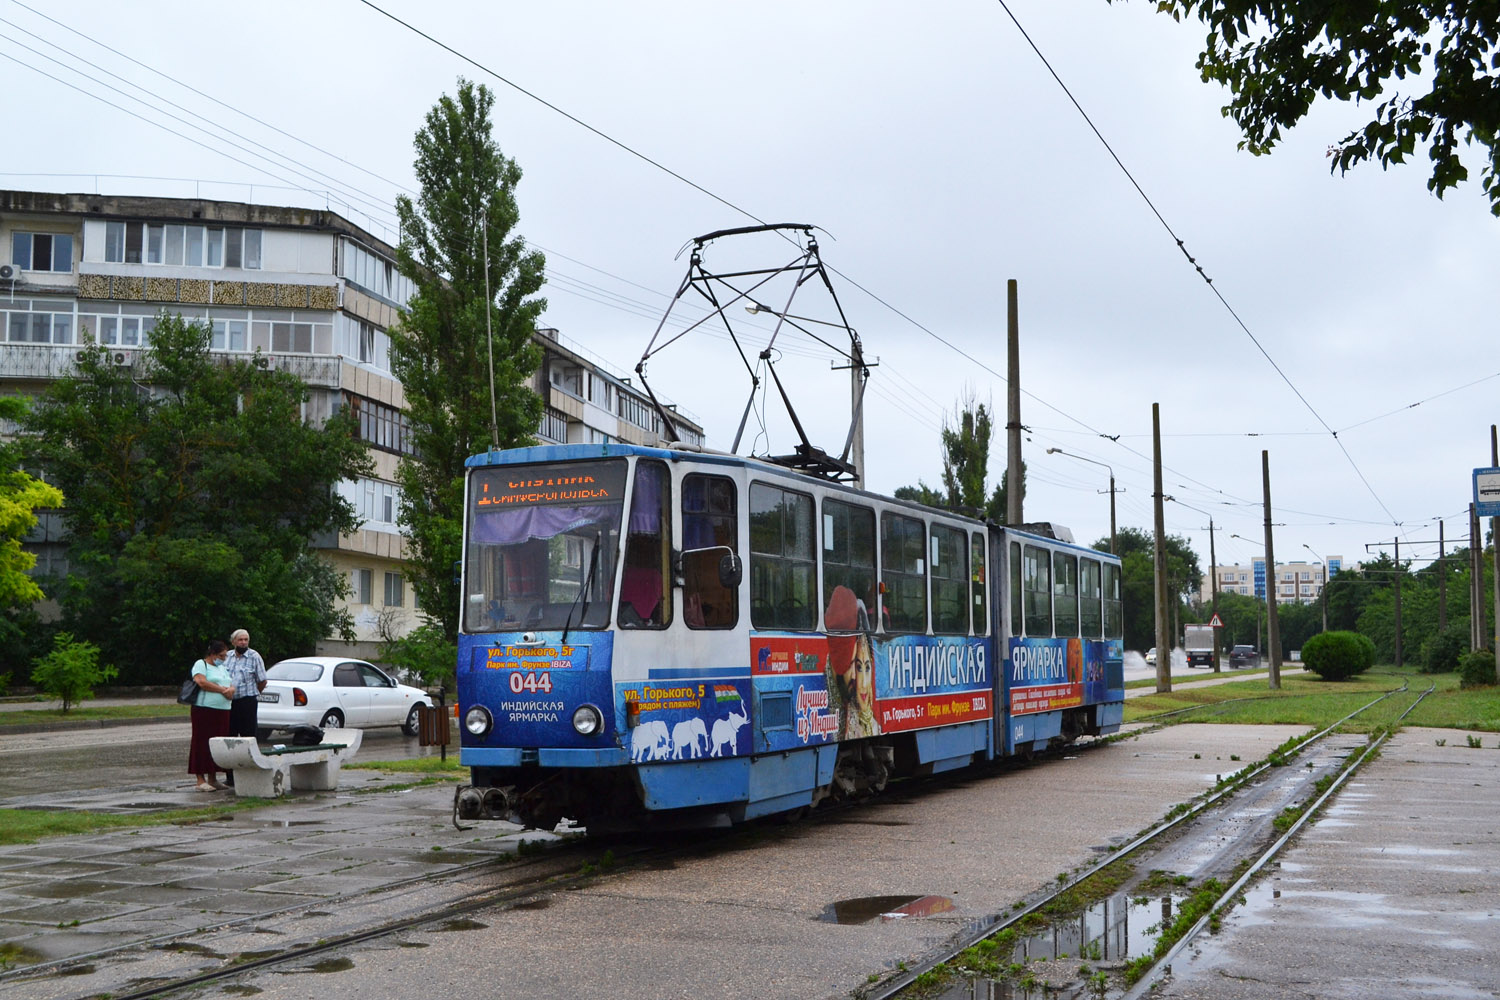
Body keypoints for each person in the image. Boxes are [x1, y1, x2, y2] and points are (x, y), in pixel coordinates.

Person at [188, 639, 234, 792]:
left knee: (217, 744)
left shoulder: (222, 668)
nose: (224, 659)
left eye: (225, 656)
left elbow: (229, 682)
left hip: (222, 711)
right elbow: (201, 682)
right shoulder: (201, 664)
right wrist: (222, 690)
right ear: (212, 654)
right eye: (221, 656)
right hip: (205, 710)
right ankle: (200, 779)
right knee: (202, 743)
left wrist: (231, 690)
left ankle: (213, 778)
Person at [224, 628, 267, 742]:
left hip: (247, 701)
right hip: (229, 702)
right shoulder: (227, 656)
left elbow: (262, 680)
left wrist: (253, 694)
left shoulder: (254, 656)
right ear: (233, 642)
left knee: (248, 735)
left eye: (246, 640)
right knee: (229, 733)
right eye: (240, 640)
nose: (243, 642)